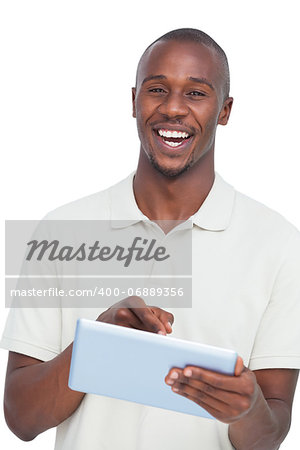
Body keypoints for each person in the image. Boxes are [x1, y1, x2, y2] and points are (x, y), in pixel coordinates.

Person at [1, 28, 300, 450]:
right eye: (157, 89)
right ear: (134, 101)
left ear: (225, 110)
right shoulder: (61, 230)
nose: (173, 108)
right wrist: (97, 344)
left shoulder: (280, 245)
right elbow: (20, 418)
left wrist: (247, 409)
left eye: (196, 93)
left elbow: (270, 433)